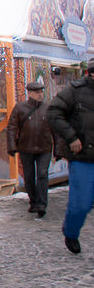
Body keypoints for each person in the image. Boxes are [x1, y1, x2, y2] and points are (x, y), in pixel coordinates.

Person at [45, 59, 94, 254]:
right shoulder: (74, 91)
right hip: (83, 156)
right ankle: (71, 232)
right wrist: (71, 137)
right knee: (81, 204)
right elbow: (53, 113)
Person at [7, 81, 54, 218]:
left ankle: (42, 204)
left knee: (42, 174)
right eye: (37, 92)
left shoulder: (48, 108)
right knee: (28, 176)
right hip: (26, 147)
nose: (40, 94)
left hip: (44, 147)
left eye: (41, 91)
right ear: (30, 93)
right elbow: (11, 128)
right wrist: (11, 146)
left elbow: (56, 128)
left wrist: (58, 149)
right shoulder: (20, 108)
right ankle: (33, 201)